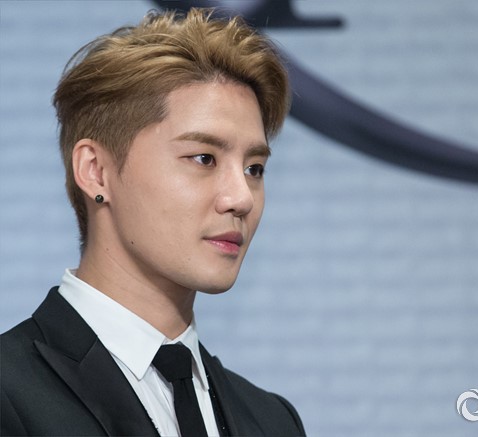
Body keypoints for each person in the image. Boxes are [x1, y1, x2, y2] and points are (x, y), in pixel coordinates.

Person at [0, 8, 304, 437]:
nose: (241, 198)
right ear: (96, 171)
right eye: (204, 158)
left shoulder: (273, 421)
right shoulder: (10, 393)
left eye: (254, 168)